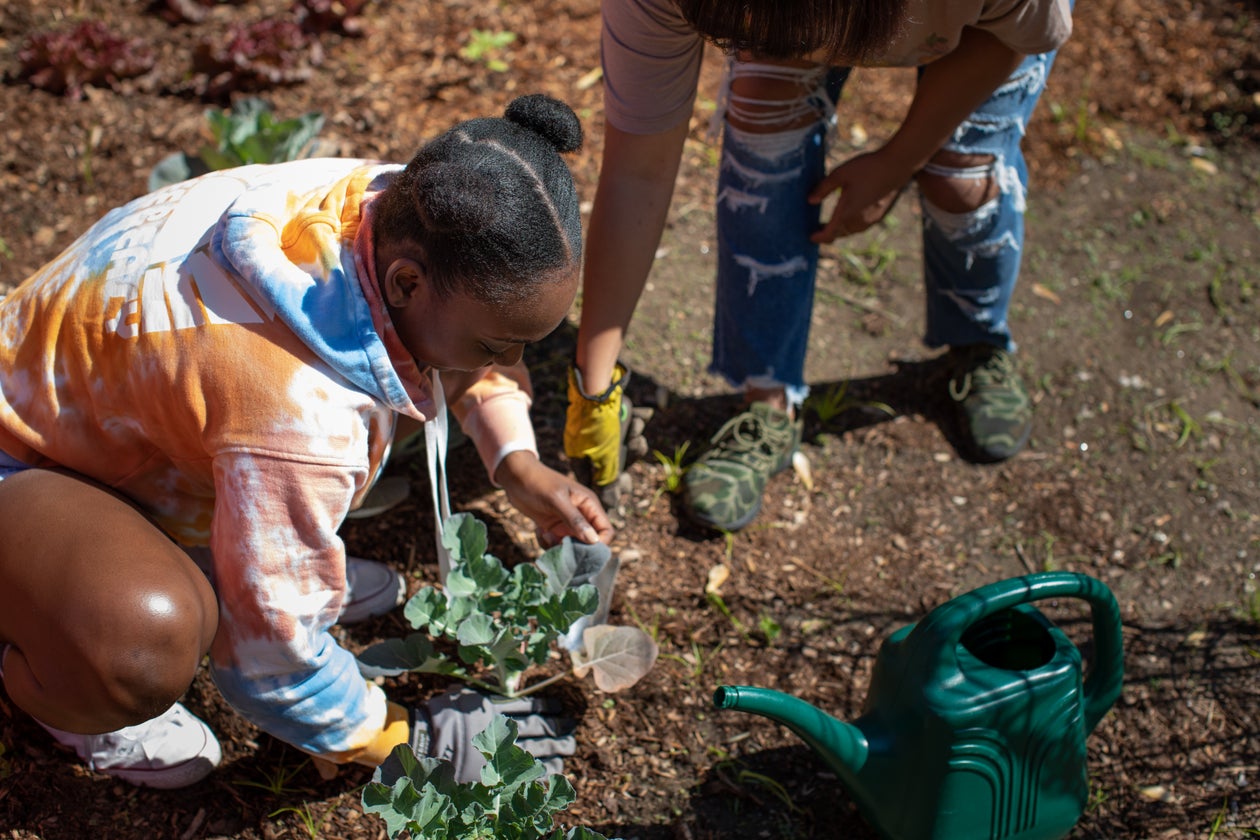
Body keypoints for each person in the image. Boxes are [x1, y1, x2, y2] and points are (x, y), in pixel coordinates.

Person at [0, 93, 611, 789]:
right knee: (146, 641)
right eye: (496, 346)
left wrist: (516, 461)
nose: (503, 360)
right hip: (20, 465)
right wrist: (397, 735)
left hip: (85, 408)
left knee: (271, 527)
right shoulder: (294, 412)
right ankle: (60, 669)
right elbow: (272, 655)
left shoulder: (387, 205)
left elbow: (481, 339)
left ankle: (224, 554)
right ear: (407, 282)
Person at [563, 0, 1073, 531]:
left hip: (985, 24)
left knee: (962, 178)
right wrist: (594, 389)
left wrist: (900, 160)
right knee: (763, 137)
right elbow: (637, 173)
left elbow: (1013, 36)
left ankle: (978, 343)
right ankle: (768, 401)